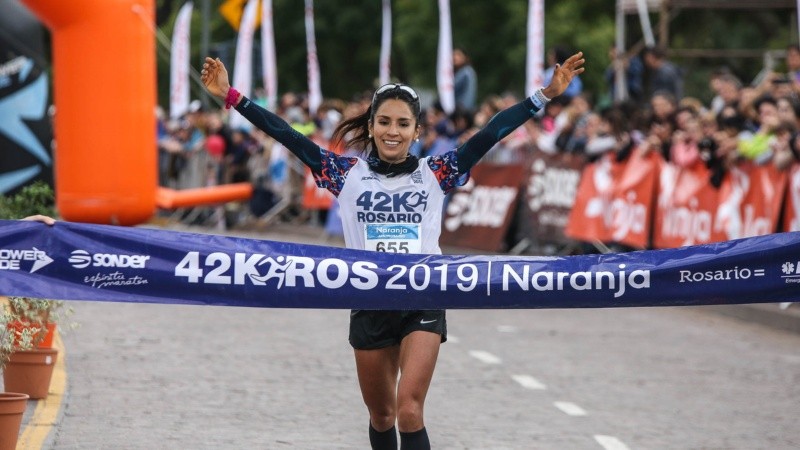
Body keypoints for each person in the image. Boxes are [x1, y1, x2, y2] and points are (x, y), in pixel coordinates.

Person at [199, 52, 584, 450]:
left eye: (403, 124)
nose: (392, 132)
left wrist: (544, 96)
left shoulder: (436, 172)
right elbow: (285, 134)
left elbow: (491, 133)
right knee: (381, 416)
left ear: (417, 131)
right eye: (384, 122)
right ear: (371, 126)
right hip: (368, 301)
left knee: (409, 411)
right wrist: (231, 96)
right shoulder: (344, 174)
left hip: (423, 298)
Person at [452, 47, 478, 113]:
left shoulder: (465, 72)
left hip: (461, 110)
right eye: (453, 54)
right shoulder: (467, 71)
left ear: (465, 57)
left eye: (458, 55)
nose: (454, 57)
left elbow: (450, 88)